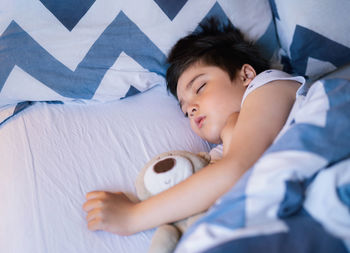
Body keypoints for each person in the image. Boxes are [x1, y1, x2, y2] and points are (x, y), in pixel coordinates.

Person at [82, 18, 305, 236]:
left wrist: (132, 217)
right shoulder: (217, 156)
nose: (193, 109)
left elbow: (237, 169)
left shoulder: (267, 86)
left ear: (246, 75)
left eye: (200, 88)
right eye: (186, 111)